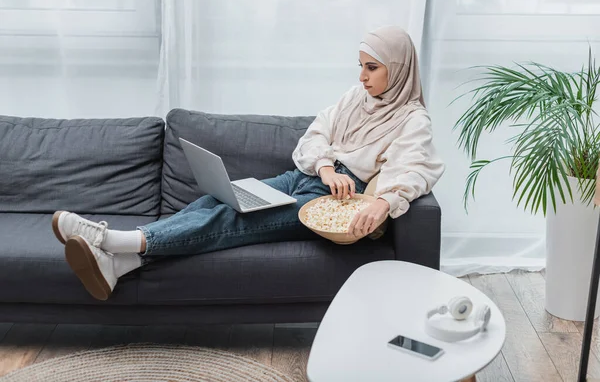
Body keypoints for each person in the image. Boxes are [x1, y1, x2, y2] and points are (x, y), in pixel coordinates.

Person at [51, 26, 445, 301]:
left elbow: (415, 170)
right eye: (360, 65)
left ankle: (114, 241)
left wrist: (383, 203)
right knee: (219, 200)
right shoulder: (354, 98)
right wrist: (324, 166)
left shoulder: (413, 119)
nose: (361, 76)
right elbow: (314, 136)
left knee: (236, 219)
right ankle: (120, 265)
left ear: (398, 68)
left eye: (371, 68)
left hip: (336, 204)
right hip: (308, 176)